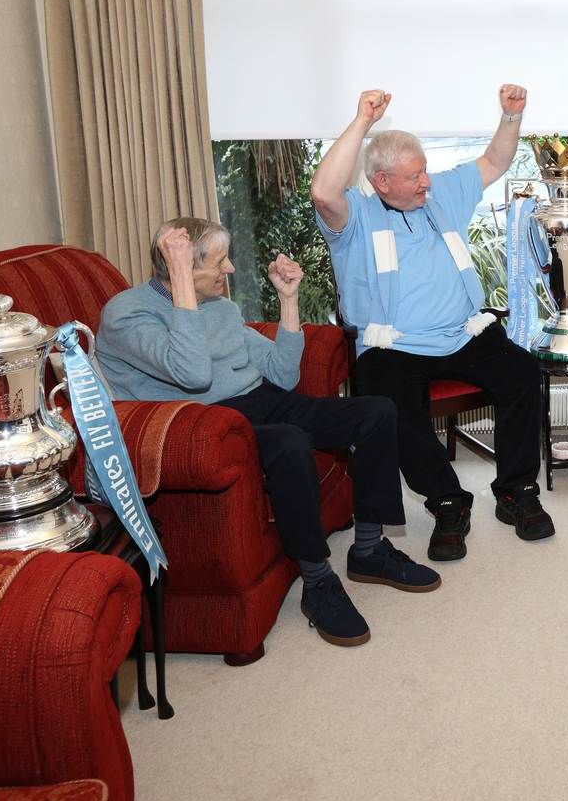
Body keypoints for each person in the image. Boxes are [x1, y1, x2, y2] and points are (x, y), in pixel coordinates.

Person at [96, 219, 439, 649]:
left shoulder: (220, 308)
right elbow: (192, 373)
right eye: (219, 261)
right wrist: (182, 280)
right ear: (181, 266)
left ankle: (369, 550)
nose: (231, 269)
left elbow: (282, 373)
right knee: (290, 442)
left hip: (260, 400)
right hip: (207, 425)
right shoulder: (127, 313)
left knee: (376, 412)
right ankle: (318, 582)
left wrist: (288, 301)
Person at [310, 86, 551, 564]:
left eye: (424, 170)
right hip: (393, 346)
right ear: (381, 181)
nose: (426, 182)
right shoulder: (353, 217)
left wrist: (509, 117)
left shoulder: (438, 193)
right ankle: (446, 501)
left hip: (464, 332)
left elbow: (494, 163)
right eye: (414, 176)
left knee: (523, 374)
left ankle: (516, 490)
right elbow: (322, 191)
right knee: (388, 407)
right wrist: (361, 121)